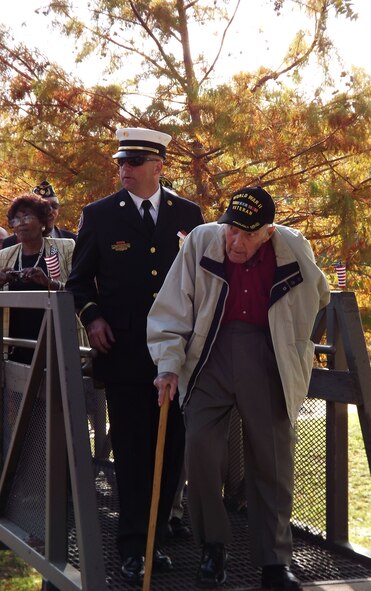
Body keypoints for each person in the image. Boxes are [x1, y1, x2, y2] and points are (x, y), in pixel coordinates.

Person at [147, 187, 330, 590]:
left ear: (269, 232)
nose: (236, 241)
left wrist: (292, 349)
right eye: (232, 229)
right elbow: (174, 305)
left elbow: (318, 297)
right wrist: (168, 365)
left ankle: (274, 562)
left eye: (248, 233)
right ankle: (213, 546)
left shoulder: (294, 248)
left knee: (272, 462)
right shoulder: (201, 241)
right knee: (201, 455)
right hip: (209, 356)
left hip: (266, 357)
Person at [66, 127, 204, 584]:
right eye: (121, 163)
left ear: (158, 166)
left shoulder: (189, 215)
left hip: (178, 357)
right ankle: (131, 549)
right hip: (124, 354)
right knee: (132, 453)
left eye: (133, 162)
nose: (124, 170)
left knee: (171, 450)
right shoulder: (100, 215)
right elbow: (79, 282)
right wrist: (94, 318)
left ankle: (156, 541)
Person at [0, 194, 75, 364]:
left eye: (27, 217)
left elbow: (80, 292)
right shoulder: (4, 256)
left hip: (58, 344)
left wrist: (49, 283)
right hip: (16, 347)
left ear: (42, 221)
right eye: (16, 220)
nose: (21, 223)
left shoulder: (65, 247)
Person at [2, 180, 76, 249]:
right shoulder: (10, 244)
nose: (50, 211)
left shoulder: (72, 240)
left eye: (54, 206)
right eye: (45, 208)